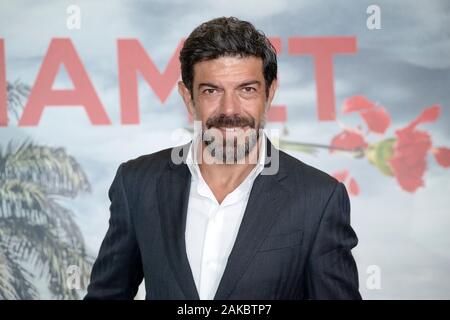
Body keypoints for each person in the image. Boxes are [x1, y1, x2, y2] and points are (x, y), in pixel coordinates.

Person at [85, 16, 361, 300]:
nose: (230, 109)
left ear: (270, 94)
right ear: (188, 98)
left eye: (247, 90)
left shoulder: (319, 198)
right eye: (211, 91)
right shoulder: (137, 183)